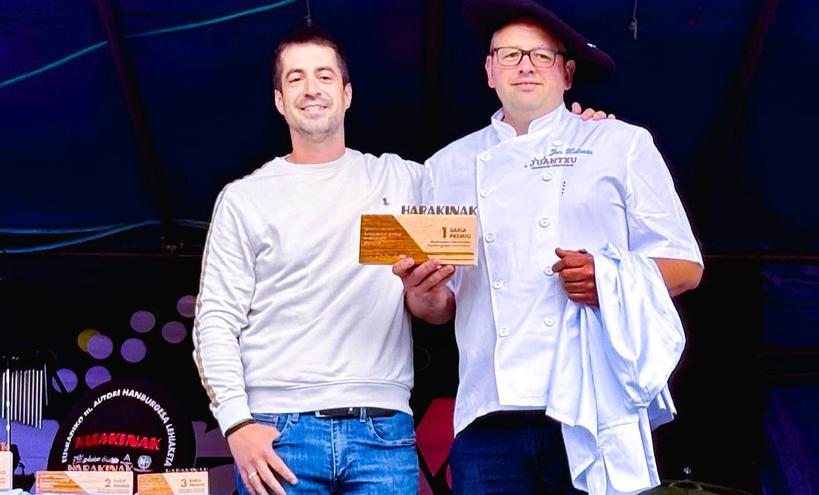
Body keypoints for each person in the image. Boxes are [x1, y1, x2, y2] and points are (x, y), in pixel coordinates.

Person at [192, 24, 612, 495]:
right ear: (278, 100)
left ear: (347, 94)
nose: (311, 89)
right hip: (278, 429)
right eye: (296, 78)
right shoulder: (245, 198)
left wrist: (573, 135)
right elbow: (215, 320)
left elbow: (507, 174)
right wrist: (237, 424)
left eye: (324, 76)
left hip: (382, 431)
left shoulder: (408, 179)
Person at [393, 0, 704, 493]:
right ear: (489, 70)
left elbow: (686, 266)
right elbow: (441, 306)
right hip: (487, 415)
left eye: (541, 55)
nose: (525, 66)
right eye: (510, 54)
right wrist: (421, 293)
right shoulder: (445, 167)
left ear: (567, 73)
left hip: (594, 407)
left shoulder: (619, 143)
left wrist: (608, 278)